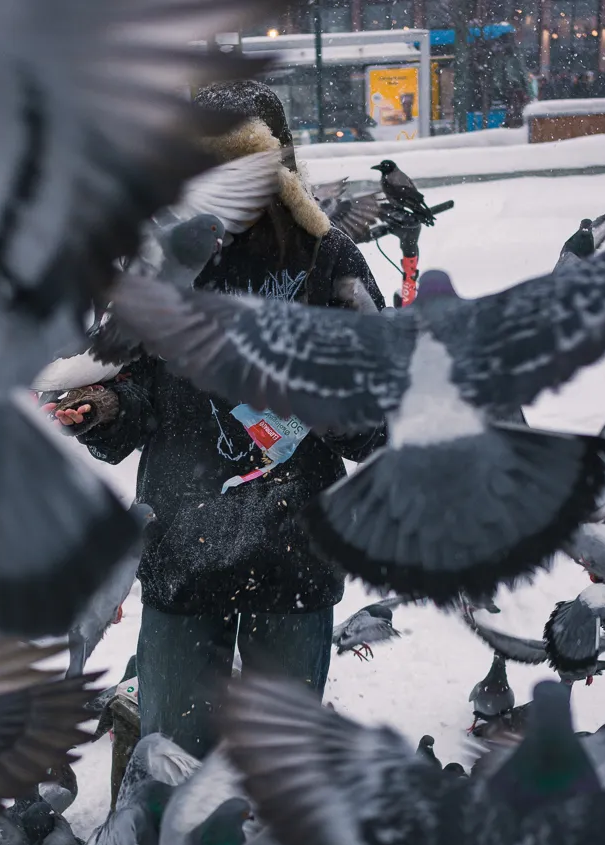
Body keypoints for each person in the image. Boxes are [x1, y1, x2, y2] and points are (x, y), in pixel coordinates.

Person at [51, 80, 387, 758]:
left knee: (278, 768)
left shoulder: (329, 261)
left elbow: (375, 423)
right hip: (182, 550)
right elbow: (133, 397)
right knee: (173, 762)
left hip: (296, 554)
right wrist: (103, 407)